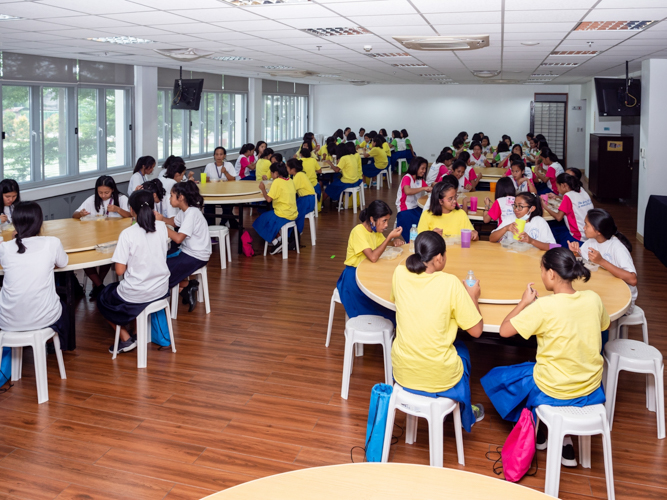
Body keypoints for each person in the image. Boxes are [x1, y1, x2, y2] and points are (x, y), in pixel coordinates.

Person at [481, 247, 609, 466]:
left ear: (551, 274)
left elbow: (504, 331)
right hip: (590, 387)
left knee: (498, 378)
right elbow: (604, 327)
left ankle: (538, 427)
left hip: (555, 388)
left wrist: (523, 303)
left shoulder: (543, 306)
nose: (541, 275)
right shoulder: (593, 299)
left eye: (542, 270)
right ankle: (559, 437)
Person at [391, 231, 485, 431]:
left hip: (402, 371)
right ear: (439, 257)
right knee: (463, 351)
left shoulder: (399, 272)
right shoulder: (450, 283)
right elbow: (476, 331)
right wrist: (472, 296)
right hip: (437, 375)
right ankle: (465, 412)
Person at [97, 190, 170, 354]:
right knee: (123, 289)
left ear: (131, 210)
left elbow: (120, 270)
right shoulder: (161, 226)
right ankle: (137, 333)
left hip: (138, 293)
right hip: (161, 288)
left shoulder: (128, 234)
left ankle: (125, 338)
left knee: (103, 297)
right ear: (153, 208)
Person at [0, 202, 69, 348]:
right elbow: (63, 263)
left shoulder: (5, 247)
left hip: (7, 321)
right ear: (40, 222)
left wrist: (14, 239)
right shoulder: (52, 242)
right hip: (43, 319)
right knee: (64, 306)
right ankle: (51, 345)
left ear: (15, 223)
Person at [336, 200, 403, 323]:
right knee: (379, 310)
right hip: (353, 277)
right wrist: (389, 237)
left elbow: (383, 246)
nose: (386, 225)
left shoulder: (375, 232)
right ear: (372, 219)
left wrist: (394, 242)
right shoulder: (358, 232)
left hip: (367, 272)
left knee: (385, 301)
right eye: (384, 221)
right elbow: (373, 257)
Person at [155, 181, 211, 312]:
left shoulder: (192, 213)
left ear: (180, 197)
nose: (169, 198)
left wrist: (161, 226)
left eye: (171, 195)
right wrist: (162, 218)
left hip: (196, 255)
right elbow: (174, 222)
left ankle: (184, 287)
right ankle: (187, 286)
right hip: (188, 251)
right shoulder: (185, 211)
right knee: (158, 262)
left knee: (162, 270)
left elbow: (179, 238)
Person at [73, 175, 131, 299]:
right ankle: (100, 287)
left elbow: (131, 216)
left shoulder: (122, 199)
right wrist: (81, 214)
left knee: (108, 256)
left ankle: (98, 286)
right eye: (100, 192)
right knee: (84, 258)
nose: (103, 195)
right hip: (94, 237)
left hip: (114, 238)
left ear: (113, 190)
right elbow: (74, 214)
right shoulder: (92, 200)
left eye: (106, 192)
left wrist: (117, 209)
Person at [568, 209, 637, 312]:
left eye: (586, 225)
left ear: (598, 231)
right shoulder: (592, 241)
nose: (584, 228)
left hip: (621, 299)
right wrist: (575, 252)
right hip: (604, 289)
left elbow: (633, 280)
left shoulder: (617, 247)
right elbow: (583, 263)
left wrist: (602, 261)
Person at [253, 161, 298, 254]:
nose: (270, 174)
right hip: (293, 212)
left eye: (271, 172)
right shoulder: (290, 180)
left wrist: (263, 189)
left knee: (260, 221)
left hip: (282, 213)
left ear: (276, 173)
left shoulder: (277, 181)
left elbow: (268, 199)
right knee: (267, 217)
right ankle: (280, 239)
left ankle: (276, 242)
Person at [489, 192, 556, 250]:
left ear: (532, 208)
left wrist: (532, 241)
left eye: (520, 206)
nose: (516, 209)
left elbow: (553, 247)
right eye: (515, 206)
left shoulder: (539, 222)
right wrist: (505, 228)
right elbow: (491, 239)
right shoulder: (510, 219)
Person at [542, 173, 593, 246]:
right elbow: (574, 200)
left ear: (563, 185)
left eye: (557, 187)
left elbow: (558, 217)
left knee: (552, 230)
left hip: (578, 237)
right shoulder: (581, 190)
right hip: (590, 234)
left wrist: (545, 206)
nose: (557, 190)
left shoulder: (567, 196)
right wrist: (557, 197)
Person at [395, 157, 432, 238]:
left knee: (428, 215)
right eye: (422, 168)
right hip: (405, 209)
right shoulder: (407, 177)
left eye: (425, 169)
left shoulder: (419, 179)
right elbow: (407, 191)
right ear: (415, 167)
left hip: (415, 207)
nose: (424, 171)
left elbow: (428, 188)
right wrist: (423, 188)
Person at [287, 158, 316, 240]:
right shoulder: (299, 174)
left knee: (292, 212)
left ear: (293, 169)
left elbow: (291, 189)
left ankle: (295, 233)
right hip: (307, 199)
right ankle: (293, 233)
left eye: (287, 167)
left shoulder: (298, 176)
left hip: (306, 200)